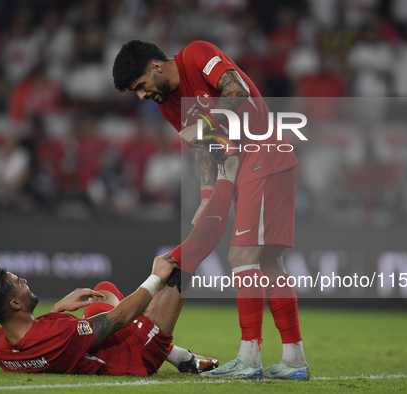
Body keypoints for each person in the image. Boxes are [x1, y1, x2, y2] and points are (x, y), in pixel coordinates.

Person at [112, 40, 309, 380]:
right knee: (268, 261)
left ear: (156, 67)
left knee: (240, 258)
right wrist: (207, 195)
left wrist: (202, 123)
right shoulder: (168, 104)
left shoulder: (197, 55)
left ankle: (249, 359)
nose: (142, 96)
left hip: (261, 155)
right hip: (254, 166)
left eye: (141, 86)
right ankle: (294, 360)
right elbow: (205, 148)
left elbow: (239, 89)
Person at [0, 256, 219, 376]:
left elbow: (38, 342)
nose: (24, 281)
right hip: (137, 356)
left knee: (104, 291)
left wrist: (56, 309)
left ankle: (178, 356)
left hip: (76, 342)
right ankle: (177, 355)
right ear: (15, 303)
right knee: (181, 265)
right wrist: (155, 277)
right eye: (19, 282)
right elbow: (121, 317)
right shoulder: (60, 333)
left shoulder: (0, 349)